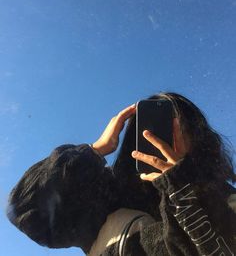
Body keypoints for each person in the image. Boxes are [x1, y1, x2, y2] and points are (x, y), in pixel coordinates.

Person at [6, 92, 236, 255]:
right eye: (150, 128)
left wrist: (179, 190)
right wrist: (94, 151)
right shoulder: (111, 193)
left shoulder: (224, 200)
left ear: (197, 137)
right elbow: (26, 210)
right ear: (134, 136)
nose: (165, 136)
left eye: (179, 126)